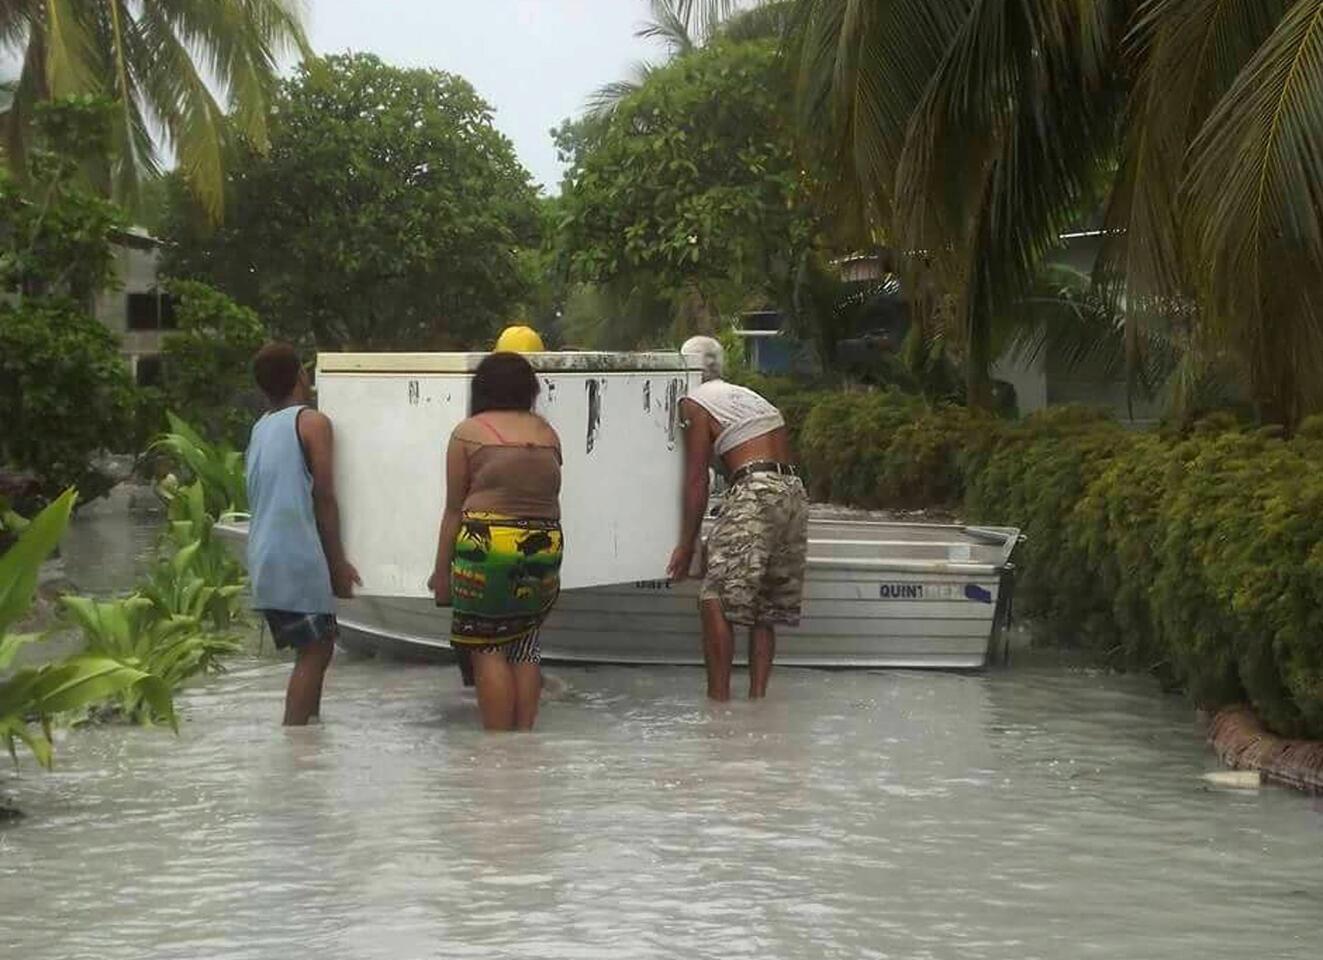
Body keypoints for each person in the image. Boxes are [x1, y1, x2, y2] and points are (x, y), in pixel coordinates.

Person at [666, 336, 809, 701]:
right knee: (763, 605)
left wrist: (686, 545)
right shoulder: (747, 395)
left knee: (714, 598)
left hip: (754, 487)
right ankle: (757, 702)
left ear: (687, 370)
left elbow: (697, 479)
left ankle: (719, 705)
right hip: (793, 491)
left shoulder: (693, 402)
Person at [428, 352, 563, 731]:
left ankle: (499, 751)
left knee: (487, 648)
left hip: (487, 545)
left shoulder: (468, 433)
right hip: (544, 544)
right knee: (524, 644)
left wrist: (442, 574)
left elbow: (454, 509)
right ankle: (523, 747)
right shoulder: (547, 434)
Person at [246, 342, 360, 726]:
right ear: (301, 376)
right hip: (296, 554)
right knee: (316, 649)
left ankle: (307, 743)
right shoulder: (311, 422)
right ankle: (295, 737)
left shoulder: (261, 427)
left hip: (264, 554)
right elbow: (324, 497)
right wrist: (339, 564)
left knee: (312, 648)